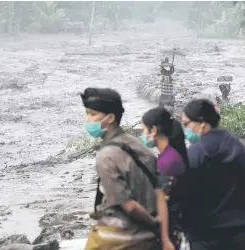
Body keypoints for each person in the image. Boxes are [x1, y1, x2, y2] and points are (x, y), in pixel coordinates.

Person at [81, 87, 174, 250]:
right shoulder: (136, 143)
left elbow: (128, 205)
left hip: (123, 237)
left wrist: (153, 224)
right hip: (150, 237)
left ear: (110, 118)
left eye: (92, 114)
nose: (87, 119)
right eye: (87, 113)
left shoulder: (106, 156)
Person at [180, 99, 245, 250]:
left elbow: (185, 196)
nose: (185, 129)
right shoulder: (238, 147)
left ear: (202, 123)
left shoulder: (195, 154)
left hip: (205, 235)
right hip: (239, 232)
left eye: (186, 124)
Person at [141, 107, 189, 250]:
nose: (143, 134)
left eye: (144, 130)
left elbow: (161, 201)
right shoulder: (169, 156)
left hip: (169, 231)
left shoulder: (168, 162)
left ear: (153, 130)